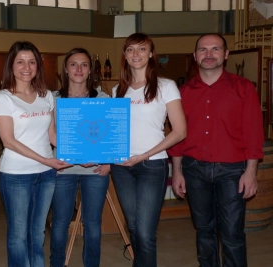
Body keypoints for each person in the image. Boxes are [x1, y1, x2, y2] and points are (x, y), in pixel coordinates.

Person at [169, 33, 264, 267]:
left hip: (232, 171)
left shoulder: (243, 88)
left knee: (232, 235)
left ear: (226, 54)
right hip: (194, 169)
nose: (209, 54)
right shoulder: (182, 93)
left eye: (215, 49)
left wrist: (250, 172)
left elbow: (254, 132)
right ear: (195, 56)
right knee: (204, 231)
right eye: (203, 50)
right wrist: (178, 171)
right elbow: (178, 135)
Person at [110, 33, 187, 267]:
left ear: (151, 54)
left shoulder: (166, 86)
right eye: (131, 49)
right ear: (125, 55)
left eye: (142, 49)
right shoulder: (117, 91)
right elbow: (113, 130)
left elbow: (180, 131)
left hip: (151, 165)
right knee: (134, 227)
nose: (136, 54)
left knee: (145, 232)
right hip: (121, 167)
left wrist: (143, 156)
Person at [0, 41, 71, 267]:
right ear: (11, 66)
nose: (26, 67)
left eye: (32, 62)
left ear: (38, 65)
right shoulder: (3, 98)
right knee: (18, 236)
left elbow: (53, 136)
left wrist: (80, 155)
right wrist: (45, 160)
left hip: (46, 175)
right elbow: (9, 141)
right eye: (20, 62)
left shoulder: (46, 96)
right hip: (16, 175)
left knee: (37, 233)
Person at [49, 48, 110, 267]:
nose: (78, 69)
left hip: (95, 170)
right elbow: (51, 134)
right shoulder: (53, 99)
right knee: (60, 222)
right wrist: (77, 156)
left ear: (90, 70)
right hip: (63, 168)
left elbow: (109, 133)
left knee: (92, 223)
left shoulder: (102, 98)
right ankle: (57, 263)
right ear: (66, 69)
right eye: (73, 64)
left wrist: (108, 163)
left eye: (84, 64)